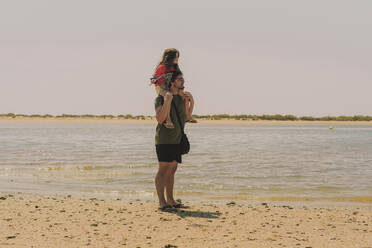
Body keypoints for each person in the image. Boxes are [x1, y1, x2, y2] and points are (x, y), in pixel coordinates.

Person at [154, 70, 189, 211]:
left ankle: (171, 200)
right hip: (163, 140)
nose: (183, 81)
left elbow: (186, 118)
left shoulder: (181, 99)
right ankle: (162, 202)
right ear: (172, 82)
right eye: (180, 79)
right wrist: (167, 100)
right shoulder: (160, 99)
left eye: (183, 78)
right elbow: (160, 119)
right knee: (162, 170)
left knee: (172, 169)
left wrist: (190, 101)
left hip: (177, 139)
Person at [151, 48, 197, 129]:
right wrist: (154, 80)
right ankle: (168, 119)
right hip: (160, 87)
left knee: (185, 96)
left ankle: (188, 116)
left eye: (177, 57)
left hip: (170, 86)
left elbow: (177, 77)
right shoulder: (162, 67)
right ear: (169, 57)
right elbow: (154, 79)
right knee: (169, 96)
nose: (177, 59)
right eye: (175, 57)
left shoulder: (174, 67)